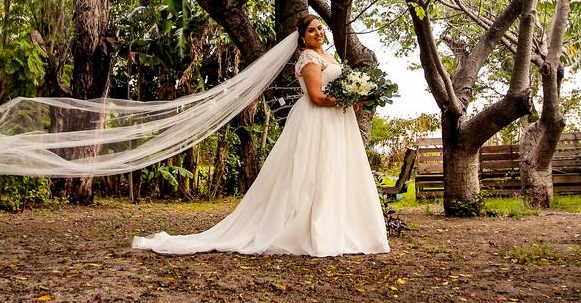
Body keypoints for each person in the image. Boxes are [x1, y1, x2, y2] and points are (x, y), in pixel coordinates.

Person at [131, 14, 390, 256]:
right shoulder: (309, 59)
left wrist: (354, 98)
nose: (317, 33)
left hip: (337, 122)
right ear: (302, 37)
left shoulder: (329, 56)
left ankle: (342, 227)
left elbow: (333, 91)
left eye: (320, 28)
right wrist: (347, 98)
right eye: (311, 30)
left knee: (335, 171)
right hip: (317, 120)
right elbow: (317, 97)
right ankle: (312, 230)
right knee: (313, 173)